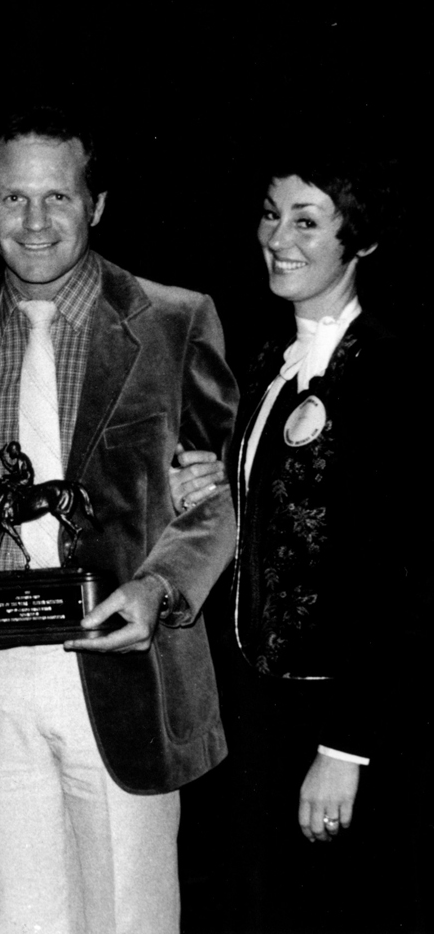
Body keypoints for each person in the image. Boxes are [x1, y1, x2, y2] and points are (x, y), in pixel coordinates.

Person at [0, 107, 239, 934]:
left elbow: (213, 500)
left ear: (94, 206)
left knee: (128, 914)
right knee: (21, 916)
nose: (33, 222)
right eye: (13, 198)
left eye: (55, 198)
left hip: (120, 660)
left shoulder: (173, 319)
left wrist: (158, 591)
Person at [216, 154, 425, 932]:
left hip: (341, 717)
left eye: (306, 221)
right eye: (270, 215)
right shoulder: (269, 363)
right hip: (262, 711)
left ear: (358, 240)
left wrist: (346, 746)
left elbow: (399, 573)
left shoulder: (393, 369)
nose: (277, 238)